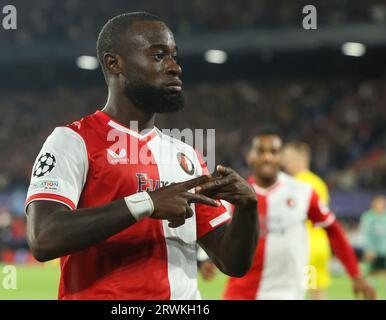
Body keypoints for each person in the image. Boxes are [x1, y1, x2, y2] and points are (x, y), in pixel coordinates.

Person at [25, 12, 259, 300]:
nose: (175, 67)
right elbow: (43, 238)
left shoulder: (186, 156)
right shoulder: (72, 141)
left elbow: (232, 262)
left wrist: (248, 209)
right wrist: (146, 202)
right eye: (159, 56)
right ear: (114, 63)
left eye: (174, 56)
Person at [214, 130, 376, 300]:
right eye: (261, 151)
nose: (267, 157)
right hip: (240, 293)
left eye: (273, 152)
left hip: (286, 293)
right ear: (250, 157)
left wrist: (356, 274)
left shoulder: (303, 192)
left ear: (281, 158)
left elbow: (334, 231)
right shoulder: (234, 195)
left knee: (318, 291)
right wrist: (212, 260)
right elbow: (219, 235)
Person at [281, 141, 332, 300]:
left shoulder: (295, 184)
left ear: (300, 159)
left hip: (305, 247)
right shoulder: (318, 182)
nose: (284, 163)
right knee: (317, 292)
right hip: (321, 245)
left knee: (296, 292)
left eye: (288, 158)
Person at [360, 195, 386, 278]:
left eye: (382, 203)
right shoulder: (368, 216)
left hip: (384, 249)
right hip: (372, 249)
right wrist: (369, 248)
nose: (380, 205)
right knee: (371, 272)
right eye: (378, 203)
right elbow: (365, 233)